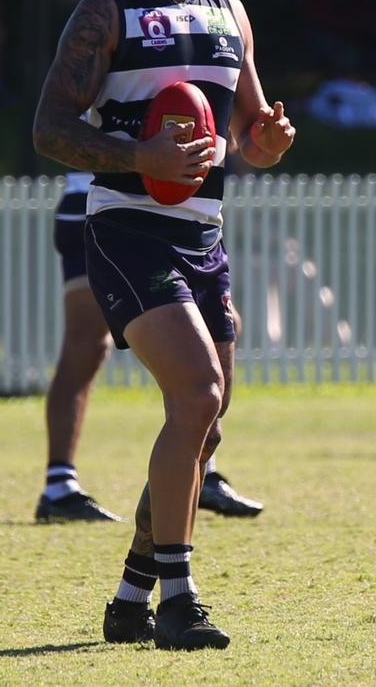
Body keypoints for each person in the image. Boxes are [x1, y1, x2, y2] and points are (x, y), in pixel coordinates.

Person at [33, 0, 295, 651]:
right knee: (199, 390)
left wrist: (268, 144)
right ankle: (180, 600)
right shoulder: (104, 11)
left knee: (203, 421)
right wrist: (135, 152)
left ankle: (129, 594)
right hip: (125, 230)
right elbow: (49, 127)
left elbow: (249, 134)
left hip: (205, 237)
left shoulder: (228, 12)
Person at [34, 170, 264, 524]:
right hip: (103, 202)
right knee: (87, 344)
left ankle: (201, 465)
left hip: (175, 207)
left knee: (223, 326)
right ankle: (59, 487)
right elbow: (58, 127)